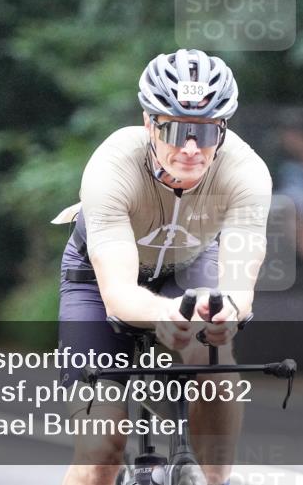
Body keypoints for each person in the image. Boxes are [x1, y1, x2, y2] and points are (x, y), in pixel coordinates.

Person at [54, 49, 272, 485]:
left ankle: (213, 479)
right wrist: (163, 314)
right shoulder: (112, 166)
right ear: (149, 123)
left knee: (216, 365)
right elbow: (117, 294)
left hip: (188, 266)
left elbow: (238, 285)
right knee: (100, 450)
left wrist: (227, 314)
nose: (190, 148)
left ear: (223, 129)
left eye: (205, 132)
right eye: (174, 129)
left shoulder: (247, 172)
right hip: (96, 281)